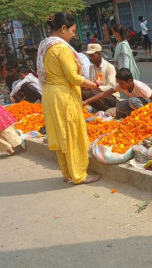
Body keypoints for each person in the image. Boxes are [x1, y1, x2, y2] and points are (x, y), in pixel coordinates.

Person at [37, 11, 101, 184]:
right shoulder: (61, 48)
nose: (73, 35)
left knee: (62, 134)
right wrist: (93, 84)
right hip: (63, 95)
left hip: (51, 94)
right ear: (63, 28)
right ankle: (79, 175)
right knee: (73, 135)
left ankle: (67, 172)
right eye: (72, 30)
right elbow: (73, 77)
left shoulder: (45, 44)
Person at [82, 68, 152, 118]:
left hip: (149, 106)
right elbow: (104, 94)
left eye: (122, 83)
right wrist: (86, 101)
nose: (120, 85)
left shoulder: (140, 87)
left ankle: (145, 117)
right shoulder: (121, 86)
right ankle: (132, 116)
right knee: (120, 105)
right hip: (138, 104)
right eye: (119, 83)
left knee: (132, 101)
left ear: (130, 81)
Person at [82, 43, 119, 112]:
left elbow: (111, 87)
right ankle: (98, 108)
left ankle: (104, 109)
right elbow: (91, 83)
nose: (90, 58)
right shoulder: (91, 67)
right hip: (97, 95)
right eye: (89, 56)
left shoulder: (110, 67)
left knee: (93, 92)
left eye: (92, 56)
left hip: (111, 97)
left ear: (99, 54)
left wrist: (97, 88)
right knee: (82, 92)